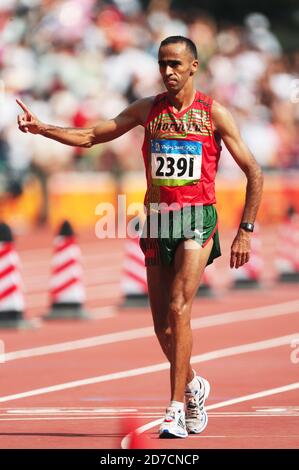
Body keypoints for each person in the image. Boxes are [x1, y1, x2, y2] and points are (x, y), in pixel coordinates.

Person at [17, 35, 263, 439]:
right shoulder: (147, 110)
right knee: (162, 328)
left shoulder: (214, 114)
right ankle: (193, 385)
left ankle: (174, 411)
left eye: (175, 65)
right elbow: (93, 135)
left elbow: (254, 171)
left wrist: (245, 232)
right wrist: (42, 128)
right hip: (157, 220)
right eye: (162, 64)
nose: (167, 72)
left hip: (197, 218)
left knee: (180, 308)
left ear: (193, 67)